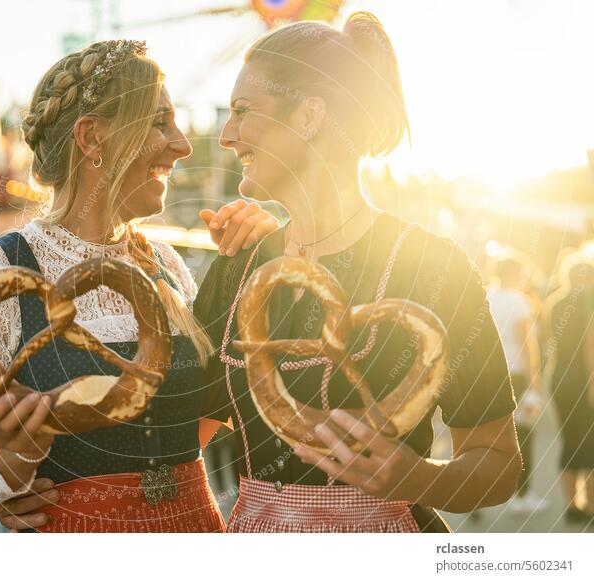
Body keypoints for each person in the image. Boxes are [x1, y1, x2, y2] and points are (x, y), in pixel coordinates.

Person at [192, 12, 521, 532]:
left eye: (242, 111)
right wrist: (23, 463)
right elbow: (184, 441)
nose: (228, 134)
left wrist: (418, 478)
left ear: (308, 116)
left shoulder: (435, 268)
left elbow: (498, 462)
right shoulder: (237, 267)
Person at [0, 39, 277, 533]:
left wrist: (259, 256)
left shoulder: (168, 265)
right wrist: (10, 465)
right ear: (91, 138)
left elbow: (197, 419)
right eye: (160, 122)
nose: (182, 145)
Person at [486, 255, 547, 514]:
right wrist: (535, 381)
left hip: (489, 373)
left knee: (488, 433)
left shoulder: (486, 296)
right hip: (517, 374)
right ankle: (521, 496)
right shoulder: (519, 301)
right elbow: (527, 342)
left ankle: (480, 496)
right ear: (515, 273)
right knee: (523, 433)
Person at [544, 255, 594, 525]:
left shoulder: (555, 302)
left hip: (559, 377)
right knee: (590, 441)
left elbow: (550, 340)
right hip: (585, 379)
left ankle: (572, 505)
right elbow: (590, 347)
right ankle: (589, 503)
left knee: (569, 438)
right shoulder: (589, 301)